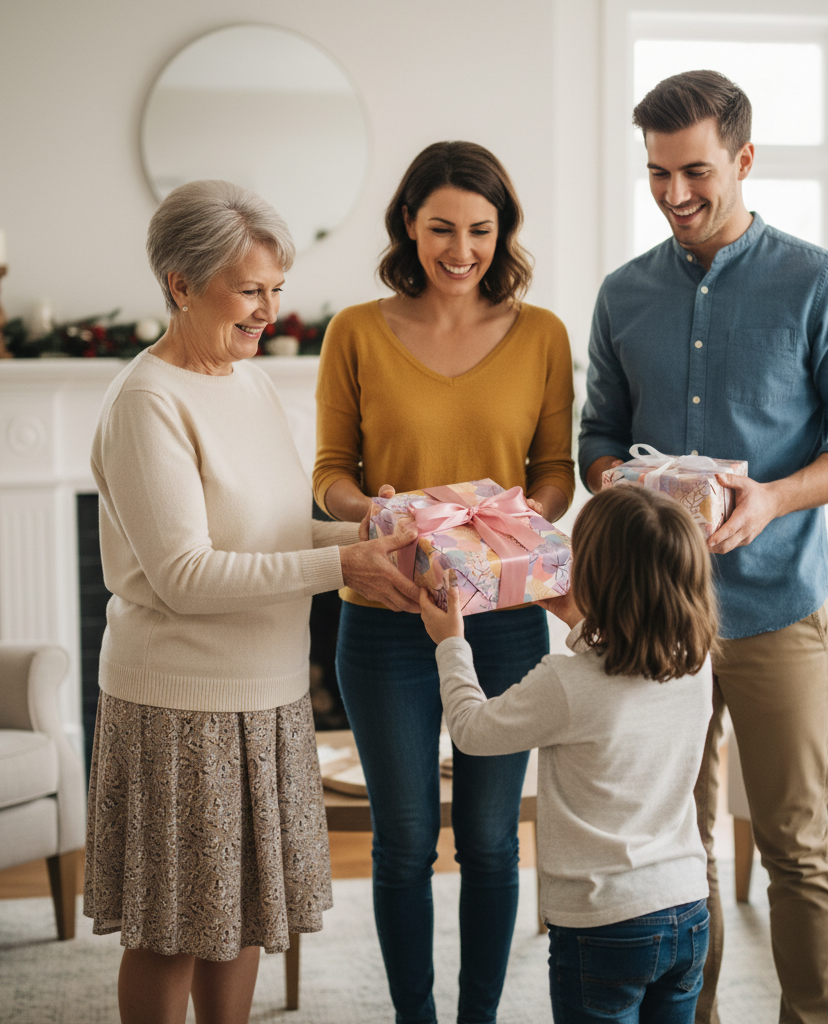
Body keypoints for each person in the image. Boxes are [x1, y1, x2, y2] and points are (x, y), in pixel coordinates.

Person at [579, 71, 828, 1024]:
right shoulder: (623, 293)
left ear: (745, 159)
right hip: (653, 618)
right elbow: (597, 436)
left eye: (696, 172)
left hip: (776, 609)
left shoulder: (819, 282)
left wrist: (774, 499)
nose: (675, 194)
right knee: (679, 845)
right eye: (656, 174)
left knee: (799, 841)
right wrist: (623, 482)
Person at [83, 179, 422, 1024]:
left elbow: (271, 532)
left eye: (276, 289)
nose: (269, 310)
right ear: (181, 283)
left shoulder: (250, 380)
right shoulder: (148, 402)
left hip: (266, 696)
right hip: (179, 705)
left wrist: (367, 537)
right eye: (250, 290)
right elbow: (186, 576)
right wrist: (345, 570)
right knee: (169, 933)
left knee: (236, 914)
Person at [312, 141, 575, 1023]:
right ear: (408, 227)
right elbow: (328, 474)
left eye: (480, 230)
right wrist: (375, 510)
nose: (460, 250)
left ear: (502, 234)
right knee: (404, 844)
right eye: (440, 229)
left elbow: (555, 472)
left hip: (500, 620)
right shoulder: (354, 330)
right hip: (386, 614)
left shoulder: (542, 334)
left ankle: (479, 1018)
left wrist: (509, 535)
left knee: (494, 846)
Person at [420, 485, 718, 1024]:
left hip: (604, 924)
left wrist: (450, 642)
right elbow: (622, 675)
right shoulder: (694, 664)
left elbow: (471, 729)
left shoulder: (566, 682)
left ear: (594, 575)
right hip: (688, 909)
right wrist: (580, 622)